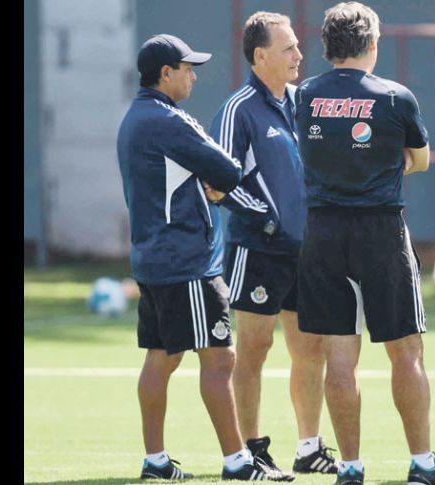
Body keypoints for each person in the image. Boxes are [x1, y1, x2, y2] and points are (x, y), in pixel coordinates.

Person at [294, 3, 435, 485]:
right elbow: (421, 160)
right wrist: (387, 164)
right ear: (372, 44)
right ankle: (423, 465)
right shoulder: (394, 97)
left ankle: (349, 467)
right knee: (406, 352)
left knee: (341, 355)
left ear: (326, 45)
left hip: (322, 232)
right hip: (380, 232)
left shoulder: (304, 95)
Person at [117, 33, 286, 481]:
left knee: (161, 357)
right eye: (187, 68)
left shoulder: (134, 117)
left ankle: (155, 462)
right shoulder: (171, 120)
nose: (193, 75)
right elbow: (228, 170)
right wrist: (213, 184)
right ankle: (237, 462)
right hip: (187, 260)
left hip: (152, 259)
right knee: (219, 358)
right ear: (165, 74)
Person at [208, 11, 337, 479]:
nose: (299, 54)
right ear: (260, 56)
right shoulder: (238, 108)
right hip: (257, 251)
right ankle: (251, 450)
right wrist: (264, 218)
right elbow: (217, 179)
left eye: (297, 46)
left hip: (307, 251)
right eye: (288, 48)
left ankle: (308, 448)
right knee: (255, 349)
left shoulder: (304, 102)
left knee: (311, 349)